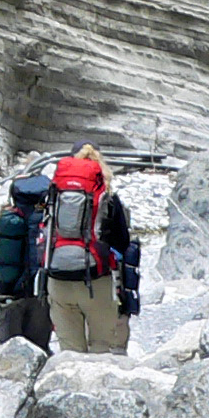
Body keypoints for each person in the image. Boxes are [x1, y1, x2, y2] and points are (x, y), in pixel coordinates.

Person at [42, 145, 137, 354]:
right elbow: (123, 242)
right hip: (96, 281)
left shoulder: (56, 195)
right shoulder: (108, 198)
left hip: (58, 279)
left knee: (70, 351)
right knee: (101, 349)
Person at [0, 173, 56, 351]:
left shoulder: (8, 219)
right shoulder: (49, 218)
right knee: (39, 345)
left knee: (9, 346)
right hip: (40, 290)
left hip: (10, 289)